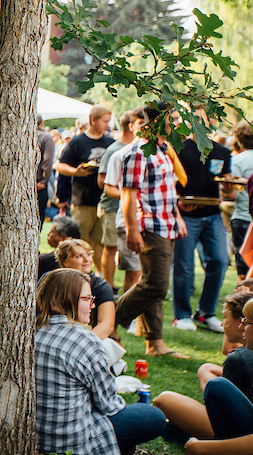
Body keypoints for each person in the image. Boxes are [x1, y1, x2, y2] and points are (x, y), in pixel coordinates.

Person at [33, 269, 166, 455]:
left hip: (34, 433)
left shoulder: (28, 329)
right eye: (87, 299)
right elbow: (108, 403)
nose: (93, 305)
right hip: (72, 440)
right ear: (66, 299)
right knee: (152, 416)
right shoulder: (86, 340)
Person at [114, 102, 189, 359]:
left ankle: (154, 343)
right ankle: (105, 321)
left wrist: (177, 218)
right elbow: (127, 196)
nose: (178, 123)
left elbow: (168, 189)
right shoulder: (138, 153)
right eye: (174, 118)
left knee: (155, 285)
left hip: (167, 224)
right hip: (150, 226)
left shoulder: (163, 148)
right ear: (156, 121)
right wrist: (132, 230)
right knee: (155, 285)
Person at [155, 291, 253, 445]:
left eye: (225, 318)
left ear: (242, 322)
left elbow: (225, 413)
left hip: (238, 435)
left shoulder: (239, 358)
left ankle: (188, 436)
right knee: (207, 369)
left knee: (164, 398)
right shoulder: (241, 355)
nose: (222, 324)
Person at [170, 112, 231, 333]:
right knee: (184, 267)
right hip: (185, 216)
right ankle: (182, 314)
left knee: (220, 261)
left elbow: (228, 187)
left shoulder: (222, 152)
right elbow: (170, 184)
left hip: (213, 214)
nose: (200, 123)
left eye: (205, 119)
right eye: (194, 118)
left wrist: (230, 186)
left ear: (212, 122)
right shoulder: (178, 149)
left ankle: (206, 313)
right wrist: (178, 208)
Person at [55, 105, 115, 273]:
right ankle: (75, 274)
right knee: (79, 241)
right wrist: (76, 172)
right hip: (82, 200)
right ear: (93, 120)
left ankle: (98, 276)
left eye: (109, 121)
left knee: (100, 242)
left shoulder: (110, 142)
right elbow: (60, 165)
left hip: (103, 201)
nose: (107, 125)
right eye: (104, 121)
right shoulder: (78, 141)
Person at [98, 110, 142, 292]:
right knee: (110, 247)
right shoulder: (116, 151)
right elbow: (104, 183)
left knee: (134, 266)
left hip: (136, 214)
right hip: (112, 208)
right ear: (131, 126)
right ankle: (108, 287)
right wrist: (129, 197)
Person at [54, 238, 116, 341]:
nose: (86, 259)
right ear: (65, 262)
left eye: (88, 254)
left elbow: (107, 324)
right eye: (79, 256)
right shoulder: (54, 282)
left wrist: (82, 343)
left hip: (91, 337)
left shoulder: (101, 286)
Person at [231, 122, 253, 279]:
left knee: (244, 267)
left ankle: (243, 299)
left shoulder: (237, 160)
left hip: (243, 216)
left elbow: (232, 195)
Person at [37, 214, 81, 280]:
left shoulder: (44, 261)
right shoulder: (82, 259)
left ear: (63, 238)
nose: (48, 234)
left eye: (51, 232)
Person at [36, 115, 57, 225]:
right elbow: (48, 161)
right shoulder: (46, 137)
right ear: (42, 123)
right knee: (38, 218)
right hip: (38, 184)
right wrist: (44, 181)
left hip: (22, 183)